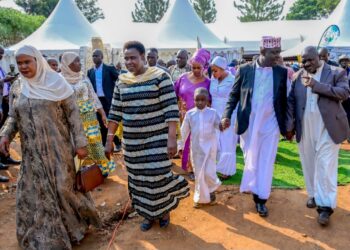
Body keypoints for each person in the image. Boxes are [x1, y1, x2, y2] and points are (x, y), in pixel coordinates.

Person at [0, 45, 100, 249]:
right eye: (19, 63)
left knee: (63, 189)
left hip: (58, 150)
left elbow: (74, 116)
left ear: (38, 61)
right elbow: (13, 115)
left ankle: (74, 228)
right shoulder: (19, 86)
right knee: (34, 193)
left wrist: (81, 144)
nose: (23, 66)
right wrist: (5, 135)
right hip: (31, 154)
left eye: (27, 62)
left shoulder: (58, 83)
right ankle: (43, 236)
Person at [105, 41, 189, 232]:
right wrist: (109, 140)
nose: (129, 62)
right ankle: (147, 214)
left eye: (133, 57)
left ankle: (163, 211)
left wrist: (171, 139)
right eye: (126, 58)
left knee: (158, 177)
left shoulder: (160, 77)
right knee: (139, 180)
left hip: (157, 141)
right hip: (133, 144)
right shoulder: (122, 81)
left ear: (143, 57)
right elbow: (115, 112)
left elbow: (170, 110)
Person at [222, 36, 288, 217]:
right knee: (251, 158)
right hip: (248, 123)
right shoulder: (244, 70)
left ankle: (261, 199)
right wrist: (227, 115)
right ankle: (254, 187)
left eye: (279, 52)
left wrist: (289, 125)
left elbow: (284, 101)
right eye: (274, 52)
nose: (277, 56)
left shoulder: (281, 72)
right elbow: (233, 95)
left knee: (266, 160)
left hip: (271, 124)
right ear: (262, 51)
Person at [286, 46, 350, 226]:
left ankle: (325, 208)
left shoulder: (337, 72)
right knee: (309, 163)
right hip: (305, 127)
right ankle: (313, 195)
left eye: (309, 60)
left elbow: (344, 93)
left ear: (319, 58)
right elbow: (291, 101)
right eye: (303, 61)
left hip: (329, 128)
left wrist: (316, 85)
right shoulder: (298, 76)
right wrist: (290, 126)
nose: (306, 64)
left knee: (325, 165)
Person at [60, 52, 116, 177]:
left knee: (95, 142)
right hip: (70, 118)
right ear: (68, 64)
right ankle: (77, 173)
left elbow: (93, 96)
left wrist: (102, 114)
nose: (80, 63)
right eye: (76, 61)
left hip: (89, 116)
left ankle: (101, 169)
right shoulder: (60, 80)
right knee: (75, 144)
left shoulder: (83, 77)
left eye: (80, 60)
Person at [181, 88, 222, 208]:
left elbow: (218, 126)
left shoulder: (213, 113)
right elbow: (184, 131)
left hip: (210, 148)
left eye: (202, 100)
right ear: (194, 100)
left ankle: (211, 190)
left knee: (209, 172)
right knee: (199, 174)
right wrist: (180, 145)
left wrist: (223, 125)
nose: (200, 102)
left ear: (207, 100)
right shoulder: (190, 114)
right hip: (197, 149)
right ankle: (200, 198)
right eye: (197, 100)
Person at [174, 48, 211, 179]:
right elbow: (174, 95)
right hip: (183, 116)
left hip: (199, 117)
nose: (195, 70)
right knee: (184, 141)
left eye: (198, 68)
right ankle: (188, 167)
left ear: (204, 67)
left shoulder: (208, 83)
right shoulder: (182, 78)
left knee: (197, 143)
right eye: (193, 67)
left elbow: (210, 101)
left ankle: (196, 169)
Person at [210, 56, 238, 180]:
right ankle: (219, 167)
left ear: (223, 69)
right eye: (212, 70)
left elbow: (235, 99)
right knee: (217, 141)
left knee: (227, 142)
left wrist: (228, 116)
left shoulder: (232, 80)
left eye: (216, 70)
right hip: (215, 114)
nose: (213, 73)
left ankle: (227, 170)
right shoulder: (213, 79)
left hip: (229, 114)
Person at [87, 49, 121, 150]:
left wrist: (116, 94)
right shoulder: (90, 71)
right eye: (93, 56)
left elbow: (119, 80)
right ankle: (104, 145)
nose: (94, 58)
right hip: (97, 102)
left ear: (102, 57)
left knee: (110, 121)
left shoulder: (109, 68)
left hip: (108, 100)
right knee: (101, 123)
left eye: (96, 55)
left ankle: (116, 142)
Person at [0, 46, 20, 172]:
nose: (1, 56)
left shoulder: (1, 66)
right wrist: (4, 80)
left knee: (3, 133)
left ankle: (4, 156)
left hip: (4, 101)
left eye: (2, 53)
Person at [338, 55, 350, 141]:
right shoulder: (336, 71)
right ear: (340, 62)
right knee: (339, 117)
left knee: (349, 116)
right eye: (343, 61)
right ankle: (341, 135)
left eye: (346, 60)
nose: (344, 62)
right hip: (339, 98)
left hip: (349, 99)